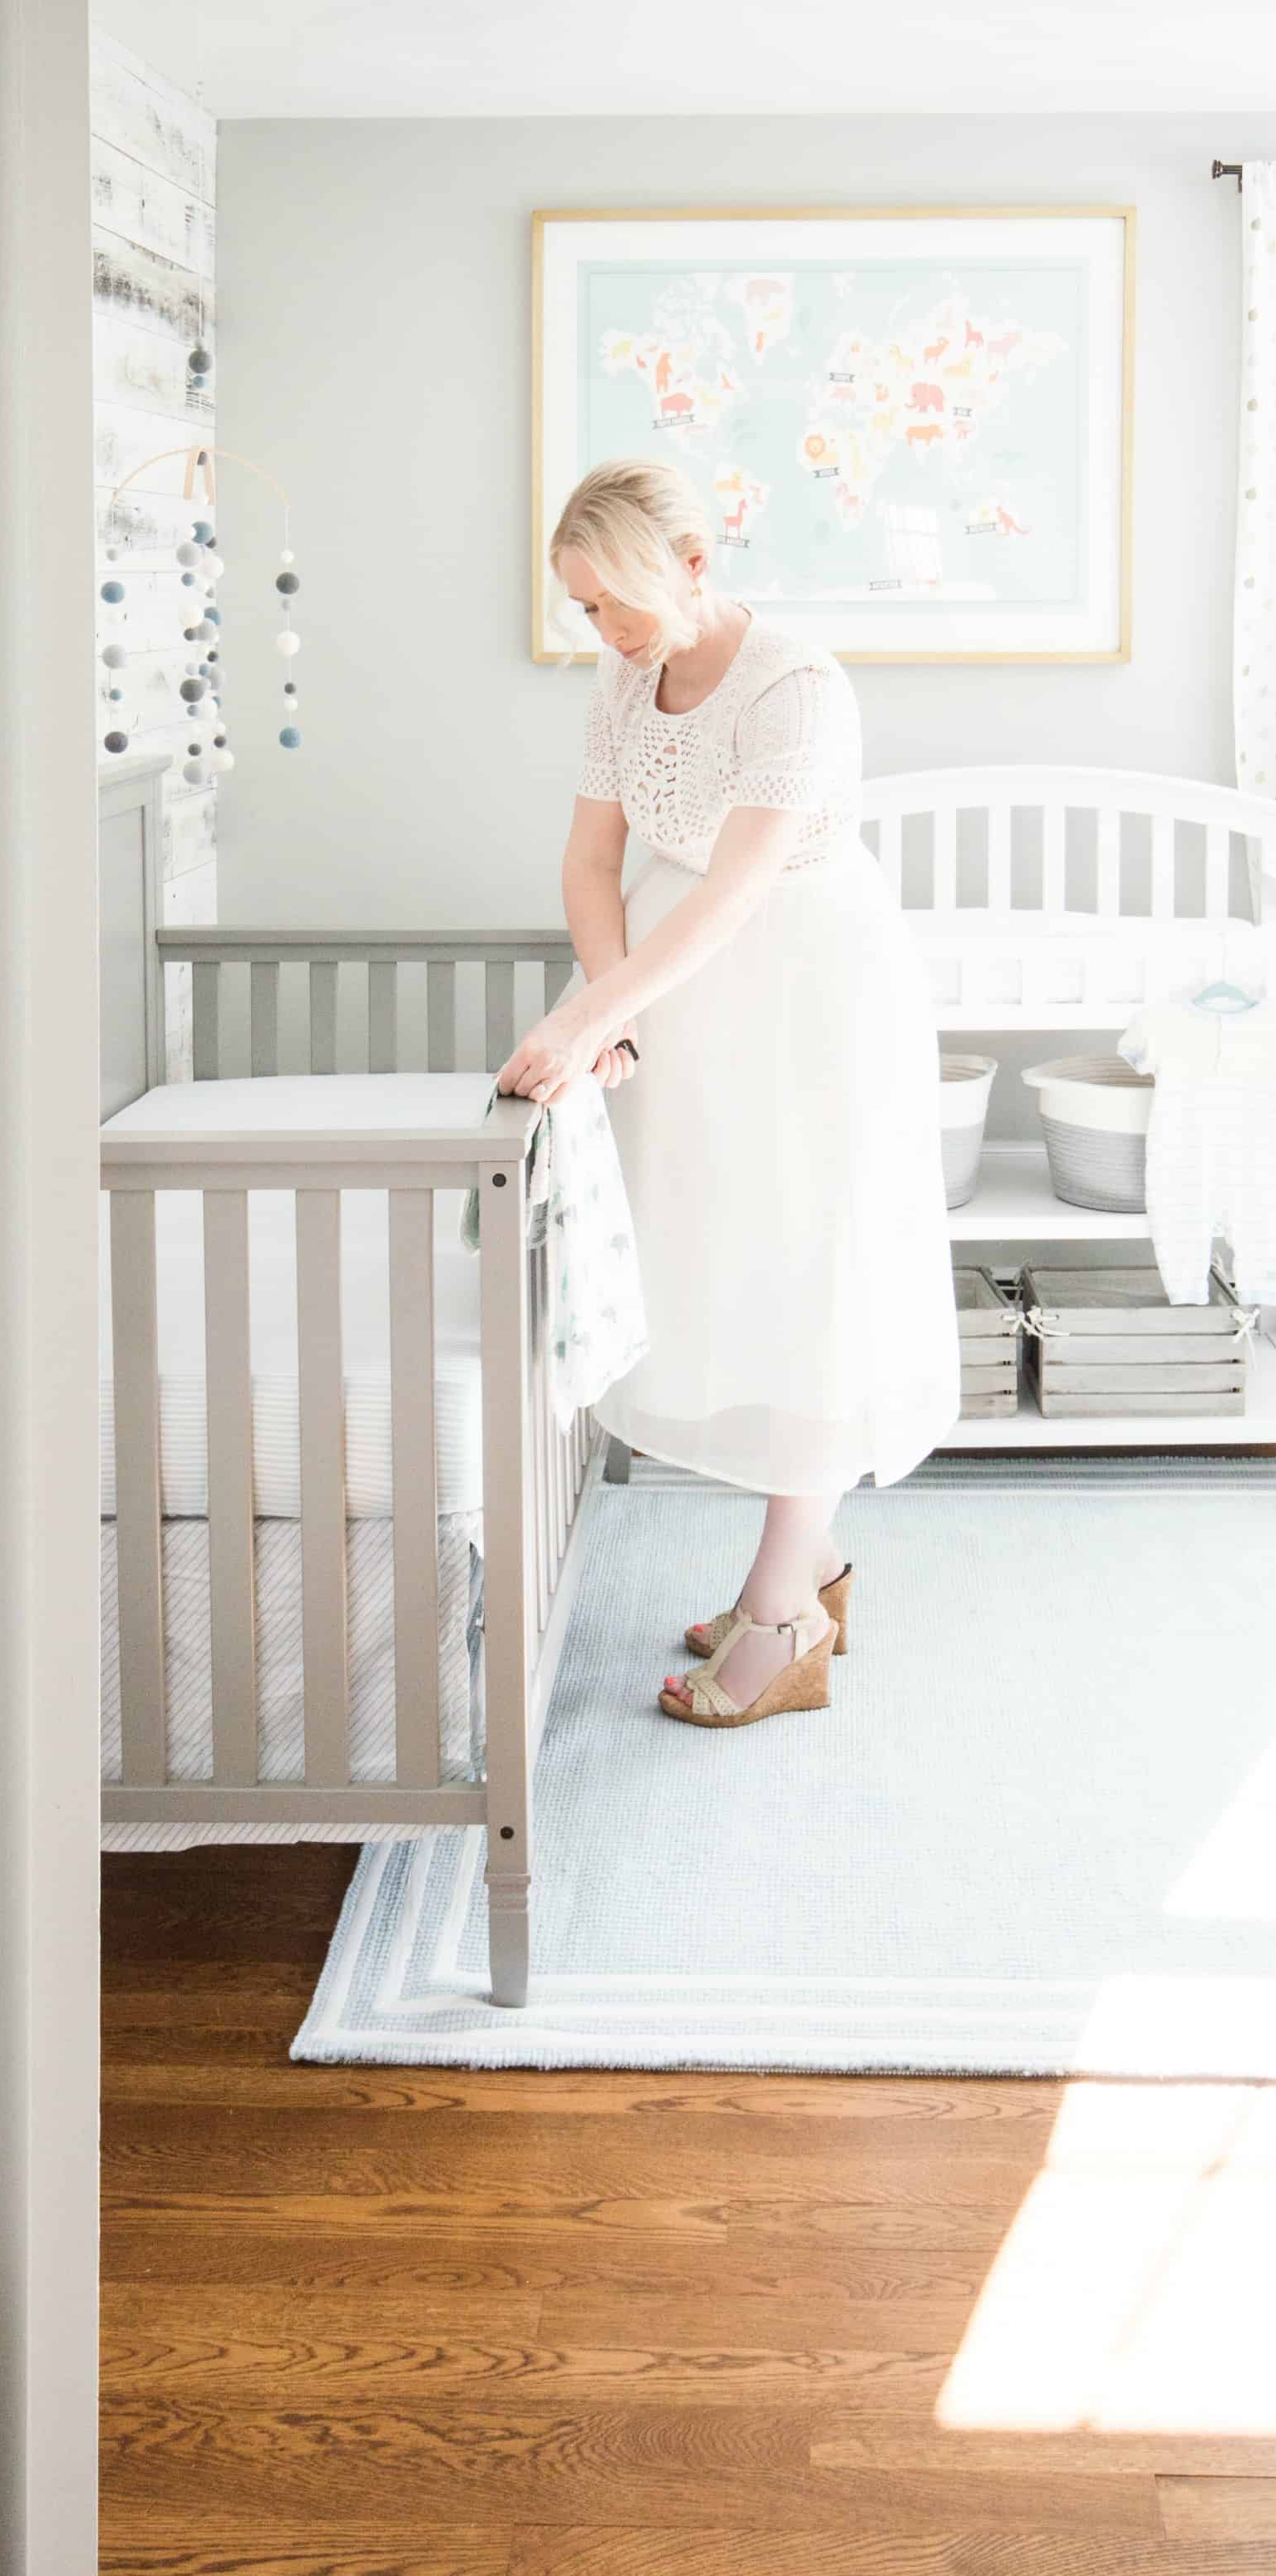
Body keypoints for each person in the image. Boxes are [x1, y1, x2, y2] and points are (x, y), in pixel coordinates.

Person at [495, 458, 959, 1729]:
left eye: (618, 602)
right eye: (583, 607)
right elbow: (593, 859)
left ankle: (782, 1619)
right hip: (678, 991)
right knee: (724, 1262)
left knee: (810, 1268)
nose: (603, 630)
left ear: (695, 563)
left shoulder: (797, 687)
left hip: (810, 995)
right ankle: (806, 1563)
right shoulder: (619, 677)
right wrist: (617, 1008)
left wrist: (595, 1014)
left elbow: (733, 890)